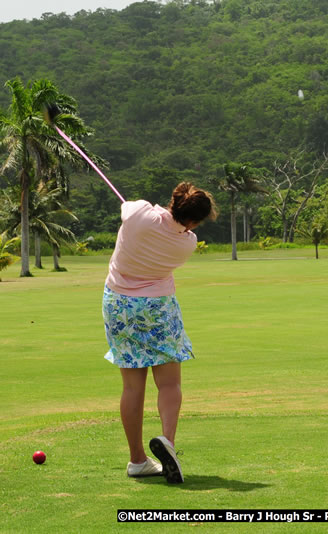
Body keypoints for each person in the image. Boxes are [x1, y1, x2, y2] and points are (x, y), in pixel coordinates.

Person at [102, 182, 217, 482]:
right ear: (194, 221)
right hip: (158, 308)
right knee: (168, 383)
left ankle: (137, 460)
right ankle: (168, 441)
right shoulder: (187, 243)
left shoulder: (140, 213)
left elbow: (129, 210)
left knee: (131, 387)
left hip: (119, 305)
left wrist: (154, 210)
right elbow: (173, 227)